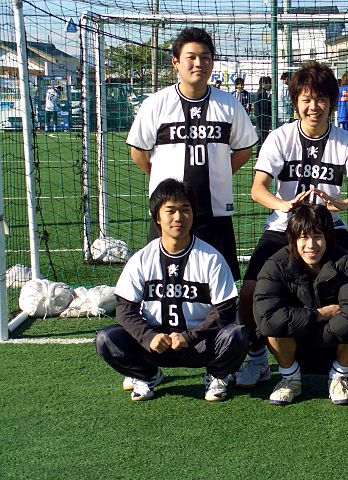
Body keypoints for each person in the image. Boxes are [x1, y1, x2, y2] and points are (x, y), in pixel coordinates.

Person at [236, 60, 348, 388]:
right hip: (284, 227)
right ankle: (257, 357)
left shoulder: (346, 141)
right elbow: (258, 188)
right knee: (249, 291)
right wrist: (284, 205)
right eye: (306, 99)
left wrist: (343, 203)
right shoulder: (280, 138)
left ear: (332, 102)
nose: (313, 106)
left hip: (329, 228)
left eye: (320, 99)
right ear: (296, 102)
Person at [95, 179, 249, 402]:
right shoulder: (141, 259)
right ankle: (147, 375)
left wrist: (190, 337)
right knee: (106, 339)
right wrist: (148, 337)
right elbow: (125, 310)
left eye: (185, 210)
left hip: (199, 343)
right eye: (170, 211)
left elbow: (225, 310)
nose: (179, 217)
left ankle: (217, 375)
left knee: (237, 335)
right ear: (157, 217)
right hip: (155, 344)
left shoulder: (211, 258)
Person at [127, 27, 257, 283]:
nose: (199, 63)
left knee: (220, 283)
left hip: (215, 212)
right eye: (192, 57)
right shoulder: (156, 104)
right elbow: (138, 151)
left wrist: (219, 172)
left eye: (206, 57)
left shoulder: (229, 104)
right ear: (176, 62)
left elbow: (244, 149)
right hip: (169, 212)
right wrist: (160, 177)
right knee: (163, 281)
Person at [254, 203, 348, 405]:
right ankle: (290, 379)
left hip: (333, 340)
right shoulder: (275, 264)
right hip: (293, 341)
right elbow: (267, 318)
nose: (311, 245)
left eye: (317, 236)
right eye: (303, 237)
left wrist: (309, 329)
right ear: (293, 239)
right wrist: (317, 315)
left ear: (328, 237)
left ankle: (339, 377)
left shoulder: (346, 262)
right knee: (273, 328)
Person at [254, 76, 272, 154]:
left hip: (264, 118)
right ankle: (259, 153)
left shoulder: (264, 93)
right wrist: (259, 117)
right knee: (262, 136)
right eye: (269, 83)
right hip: (261, 118)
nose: (270, 85)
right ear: (263, 84)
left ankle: (261, 152)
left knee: (264, 135)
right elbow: (256, 107)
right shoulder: (260, 93)